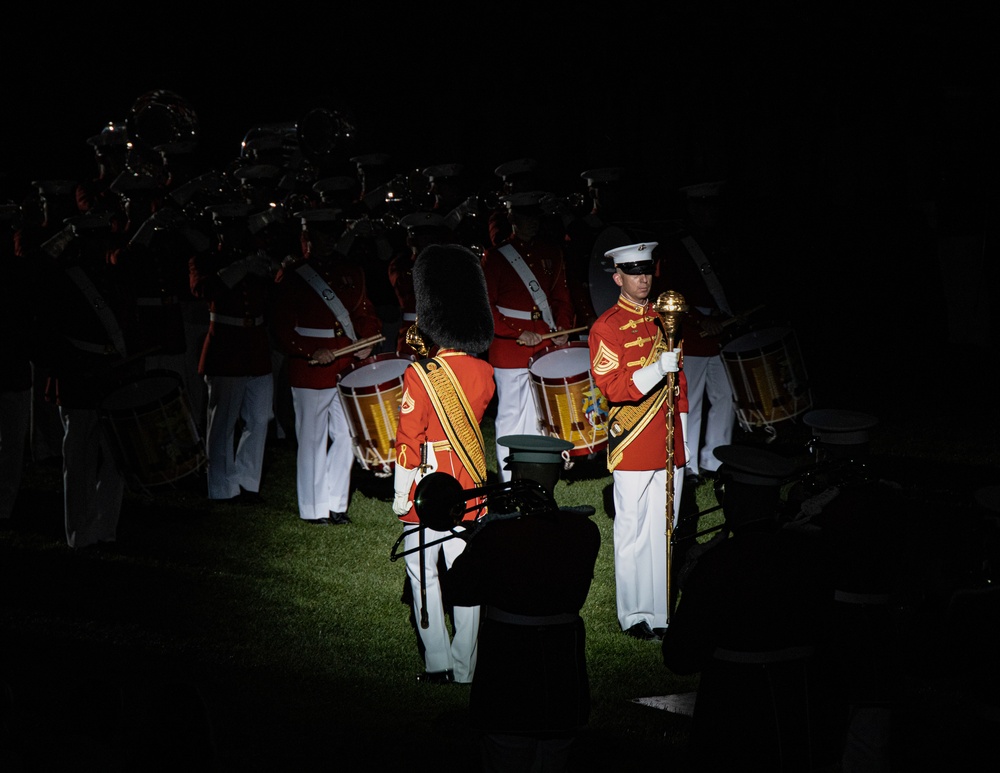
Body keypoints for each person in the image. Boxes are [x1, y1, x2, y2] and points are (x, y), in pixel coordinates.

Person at [661, 443, 835, 772]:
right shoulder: (808, 552)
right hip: (796, 698)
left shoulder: (716, 562)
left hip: (733, 698)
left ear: (734, 498)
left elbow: (680, 657)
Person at [441, 442, 601, 772]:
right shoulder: (585, 530)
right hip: (562, 668)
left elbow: (459, 591)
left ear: (517, 473)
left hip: (507, 667)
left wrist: (476, 540)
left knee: (505, 753)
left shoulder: (496, 534)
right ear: (556, 474)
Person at [391, 243, 495, 685]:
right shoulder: (484, 372)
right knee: (467, 581)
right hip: (469, 487)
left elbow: (408, 440)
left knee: (423, 576)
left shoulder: (422, 373)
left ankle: (436, 663)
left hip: (429, 490)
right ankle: (466, 666)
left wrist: (402, 493)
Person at [588, 241, 688, 641]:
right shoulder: (606, 326)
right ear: (618, 277)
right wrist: (654, 371)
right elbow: (610, 387)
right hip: (632, 442)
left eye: (646, 270)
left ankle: (661, 611)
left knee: (665, 528)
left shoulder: (668, 317)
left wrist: (684, 442)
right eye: (633, 272)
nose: (643, 278)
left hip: (668, 441)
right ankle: (633, 615)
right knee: (632, 530)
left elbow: (680, 385)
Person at [34, 210, 142, 548]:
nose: (98, 246)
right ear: (78, 243)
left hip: (111, 377)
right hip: (79, 377)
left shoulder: (114, 276)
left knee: (115, 459)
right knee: (78, 458)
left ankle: (105, 528)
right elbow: (47, 335)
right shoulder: (62, 281)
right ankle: (79, 533)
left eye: (102, 239)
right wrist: (71, 367)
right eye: (90, 240)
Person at [272, 207, 382, 525]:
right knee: (312, 438)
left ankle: (336, 503)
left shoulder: (351, 271)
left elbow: (364, 311)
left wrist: (369, 338)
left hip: (347, 361)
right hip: (311, 367)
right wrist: (310, 350)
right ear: (306, 238)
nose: (327, 242)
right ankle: (313, 507)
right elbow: (281, 327)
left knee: (348, 434)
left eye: (332, 235)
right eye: (319, 236)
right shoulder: (293, 275)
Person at [653, 181, 743, 486]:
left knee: (725, 397)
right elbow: (667, 291)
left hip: (723, 331)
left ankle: (715, 460)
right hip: (691, 334)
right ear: (691, 208)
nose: (708, 212)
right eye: (701, 205)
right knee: (688, 401)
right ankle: (687, 463)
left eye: (711, 205)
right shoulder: (676, 245)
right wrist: (695, 321)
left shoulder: (724, 241)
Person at [482, 191, 575, 482]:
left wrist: (560, 328)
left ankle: (535, 476)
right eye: (524, 217)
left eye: (535, 217)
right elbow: (487, 306)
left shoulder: (551, 252)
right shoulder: (496, 257)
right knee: (510, 414)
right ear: (511, 219)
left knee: (540, 414)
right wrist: (516, 331)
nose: (531, 223)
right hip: (509, 349)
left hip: (545, 342)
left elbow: (561, 297)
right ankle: (510, 481)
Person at [189, 202, 275, 504]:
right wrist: (240, 268)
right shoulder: (207, 259)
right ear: (220, 229)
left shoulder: (257, 257)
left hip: (255, 345)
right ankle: (221, 486)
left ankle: (247, 481)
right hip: (226, 344)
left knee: (260, 417)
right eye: (230, 227)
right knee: (222, 421)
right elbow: (202, 290)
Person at [386, 211, 455, 356]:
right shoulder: (401, 264)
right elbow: (406, 289)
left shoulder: (446, 261)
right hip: (414, 330)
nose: (427, 242)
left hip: (443, 329)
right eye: (422, 237)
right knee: (416, 374)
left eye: (431, 237)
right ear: (410, 240)